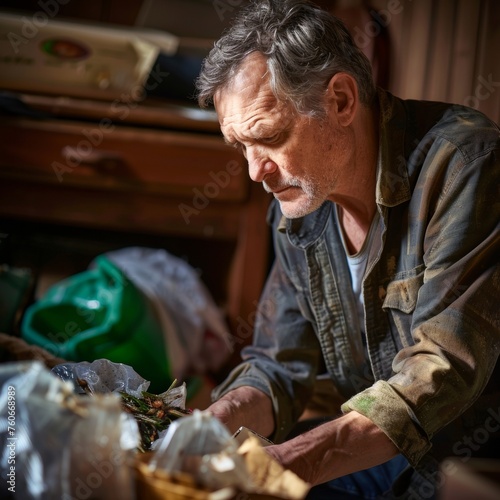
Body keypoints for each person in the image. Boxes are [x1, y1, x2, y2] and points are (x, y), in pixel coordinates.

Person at [195, 1, 500, 498]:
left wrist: (286, 464)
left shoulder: (466, 165)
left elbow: (441, 369)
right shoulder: (300, 201)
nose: (255, 172)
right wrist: (212, 424)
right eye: (240, 147)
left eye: (268, 137)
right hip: (382, 455)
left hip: (468, 458)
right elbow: (277, 364)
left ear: (340, 100)